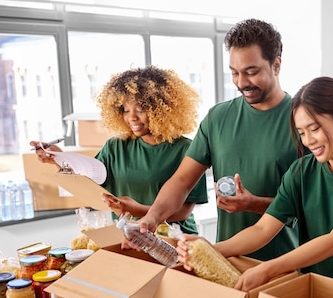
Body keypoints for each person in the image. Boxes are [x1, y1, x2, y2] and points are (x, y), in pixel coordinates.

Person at [178, 76, 333, 293]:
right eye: (301, 133)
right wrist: (210, 250)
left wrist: (269, 269)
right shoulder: (301, 171)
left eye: (314, 129)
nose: (308, 140)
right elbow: (262, 229)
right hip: (315, 291)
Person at [136, 18, 299, 261]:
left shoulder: (303, 122)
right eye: (234, 73)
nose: (242, 83)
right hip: (225, 261)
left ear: (276, 65)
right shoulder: (219, 117)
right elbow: (182, 181)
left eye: (251, 72)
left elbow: (308, 205)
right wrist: (153, 216)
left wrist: (253, 203)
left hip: (286, 264)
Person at [31, 65, 207, 234]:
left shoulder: (186, 150)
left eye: (141, 109)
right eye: (125, 110)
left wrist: (139, 211)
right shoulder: (116, 147)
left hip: (175, 239)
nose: (132, 118)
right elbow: (88, 179)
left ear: (161, 110)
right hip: (130, 237)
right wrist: (58, 158)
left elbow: (183, 211)